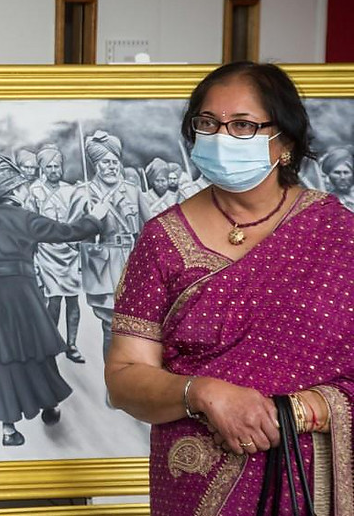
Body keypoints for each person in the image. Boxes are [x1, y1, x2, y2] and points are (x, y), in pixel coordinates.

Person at [105, 62, 354, 515]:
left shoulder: (338, 233)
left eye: (242, 125)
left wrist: (299, 410)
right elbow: (124, 379)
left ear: (286, 143)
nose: (221, 137)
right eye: (207, 123)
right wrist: (201, 392)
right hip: (197, 482)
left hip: (313, 478)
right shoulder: (163, 240)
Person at [0, 160, 107, 446]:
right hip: (22, 293)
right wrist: (95, 218)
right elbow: (68, 233)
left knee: (0, 358)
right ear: (15, 190)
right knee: (38, 350)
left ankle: (8, 430)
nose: (25, 191)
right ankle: (49, 405)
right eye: (22, 187)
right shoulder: (26, 218)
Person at [67, 130, 151, 362]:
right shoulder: (83, 193)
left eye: (115, 161)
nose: (112, 166)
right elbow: (72, 236)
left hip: (133, 264)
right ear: (96, 165)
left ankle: (133, 377)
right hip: (102, 265)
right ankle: (114, 382)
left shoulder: (132, 191)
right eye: (106, 162)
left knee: (134, 327)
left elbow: (151, 229)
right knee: (111, 325)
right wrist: (90, 221)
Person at [28, 144, 85, 363]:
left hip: (69, 252)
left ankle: (71, 344)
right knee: (53, 300)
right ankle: (50, 343)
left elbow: (80, 221)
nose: (53, 170)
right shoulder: (34, 191)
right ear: (42, 168)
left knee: (72, 299)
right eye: (49, 166)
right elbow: (29, 225)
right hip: (46, 252)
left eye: (56, 166)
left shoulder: (70, 190)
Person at [321, 146, 354, 211]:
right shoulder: (326, 201)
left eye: (346, 172)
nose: (342, 177)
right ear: (329, 175)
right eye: (337, 173)